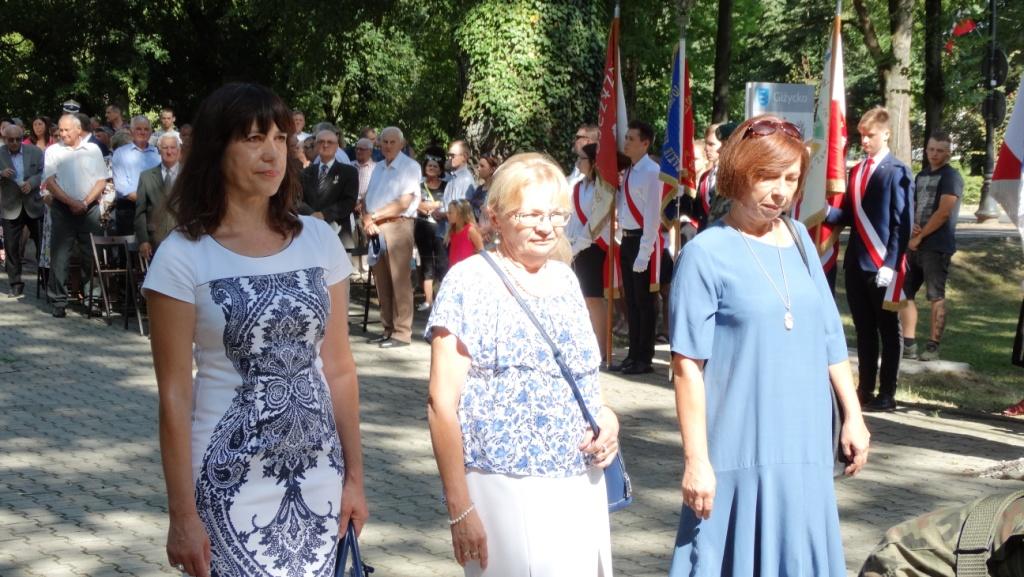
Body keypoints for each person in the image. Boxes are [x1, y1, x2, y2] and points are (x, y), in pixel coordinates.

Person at [142, 82, 367, 577]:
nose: (272, 153)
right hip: (227, 480)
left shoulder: (318, 239)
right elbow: (174, 396)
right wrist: (182, 516)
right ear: (216, 150)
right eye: (252, 138)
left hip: (322, 475)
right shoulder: (182, 256)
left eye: (280, 138)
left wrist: (355, 477)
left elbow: (340, 369)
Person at [668, 115, 870, 577]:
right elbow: (687, 367)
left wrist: (854, 415)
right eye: (768, 177)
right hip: (740, 445)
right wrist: (696, 460)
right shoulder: (705, 254)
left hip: (805, 442)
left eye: (791, 179)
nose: (780, 192)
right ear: (738, 173)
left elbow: (829, 334)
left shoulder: (800, 240)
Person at [427, 152, 618, 577]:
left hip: (580, 481)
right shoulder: (468, 282)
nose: (546, 226)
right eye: (530, 214)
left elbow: (583, 379)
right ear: (496, 216)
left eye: (556, 214)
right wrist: (460, 508)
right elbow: (441, 404)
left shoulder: (566, 279)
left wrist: (607, 418)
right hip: (504, 489)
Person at [825, 106, 914, 412]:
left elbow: (902, 223)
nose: (864, 141)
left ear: (886, 134)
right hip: (857, 261)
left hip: (882, 264)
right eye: (861, 135)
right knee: (863, 328)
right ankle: (865, 388)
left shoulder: (897, 171)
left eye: (870, 135)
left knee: (888, 329)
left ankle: (887, 392)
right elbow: (851, 215)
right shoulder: (857, 170)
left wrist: (891, 263)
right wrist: (826, 212)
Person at [900, 131, 963, 361]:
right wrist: (912, 227)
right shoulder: (922, 175)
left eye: (940, 150)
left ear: (948, 153)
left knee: (936, 295)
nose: (934, 154)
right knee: (904, 292)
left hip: (936, 246)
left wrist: (921, 236)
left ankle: (933, 347)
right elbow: (914, 204)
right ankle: (908, 344)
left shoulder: (951, 177)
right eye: (931, 149)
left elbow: (944, 212)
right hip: (915, 244)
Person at [43, 113, 108, 318]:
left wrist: (85, 202)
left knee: (92, 255)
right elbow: (50, 182)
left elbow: (101, 180)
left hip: (89, 208)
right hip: (63, 209)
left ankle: (92, 299)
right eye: (60, 130)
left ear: (78, 130)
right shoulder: (53, 151)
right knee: (60, 256)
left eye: (66, 130)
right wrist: (71, 202)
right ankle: (58, 301)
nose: (62, 134)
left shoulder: (93, 150)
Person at [361, 126, 420, 349]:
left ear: (401, 144)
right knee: (382, 281)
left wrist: (373, 216)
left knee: (400, 280)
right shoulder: (378, 167)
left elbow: (404, 202)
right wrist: (367, 220)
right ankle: (387, 329)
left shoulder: (410, 166)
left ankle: (402, 333)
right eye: (384, 142)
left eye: (392, 142)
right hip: (375, 227)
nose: (387, 146)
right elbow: (367, 197)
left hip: (398, 226)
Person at [612, 120, 663, 375]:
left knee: (644, 302)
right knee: (631, 301)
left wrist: (645, 252)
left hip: (644, 241)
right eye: (626, 137)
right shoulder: (631, 170)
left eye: (631, 139)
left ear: (645, 143)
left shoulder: (652, 172)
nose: (626, 142)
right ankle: (633, 354)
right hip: (628, 239)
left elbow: (652, 215)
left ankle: (645, 357)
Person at [566, 143, 611, 361]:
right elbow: (573, 219)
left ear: (594, 162)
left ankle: (602, 350)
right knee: (582, 299)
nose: (578, 163)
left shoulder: (602, 189)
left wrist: (577, 246)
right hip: (577, 247)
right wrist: (568, 244)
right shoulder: (578, 187)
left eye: (582, 159)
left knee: (594, 299)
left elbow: (596, 222)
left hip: (595, 247)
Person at [0, 124, 44, 298]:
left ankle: (46, 279)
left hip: (33, 204)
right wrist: (1, 174)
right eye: (10, 140)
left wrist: (31, 183)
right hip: (10, 206)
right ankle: (15, 284)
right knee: (11, 247)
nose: (14, 143)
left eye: (18, 139)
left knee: (41, 244)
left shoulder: (35, 152)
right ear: (5, 139)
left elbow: (43, 173)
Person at [298, 129, 359, 249]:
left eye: (330, 142)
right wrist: (312, 214)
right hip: (310, 233)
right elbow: (297, 199)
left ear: (337, 147)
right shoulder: (305, 173)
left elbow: (349, 202)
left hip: (338, 234)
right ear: (316, 146)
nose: (325, 145)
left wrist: (324, 214)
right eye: (321, 142)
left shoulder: (349, 172)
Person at [134, 133, 181, 260]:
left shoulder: (190, 176)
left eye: (173, 147)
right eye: (165, 148)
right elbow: (140, 212)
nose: (169, 152)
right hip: (155, 241)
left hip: (184, 239)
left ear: (178, 150)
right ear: (159, 150)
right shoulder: (146, 177)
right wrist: (143, 240)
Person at [111, 116, 160, 235]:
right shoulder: (121, 153)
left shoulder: (158, 154)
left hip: (154, 209)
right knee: (129, 246)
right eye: (138, 129)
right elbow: (122, 187)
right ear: (131, 131)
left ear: (151, 132)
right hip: (129, 209)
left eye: (146, 129)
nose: (143, 132)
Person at [414, 148, 447, 311]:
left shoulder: (447, 186)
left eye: (435, 166)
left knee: (442, 263)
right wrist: (434, 205)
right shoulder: (418, 186)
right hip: (422, 228)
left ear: (440, 169)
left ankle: (442, 299)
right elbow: (416, 204)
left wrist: (429, 205)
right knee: (426, 263)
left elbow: (446, 204)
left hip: (441, 229)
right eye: (429, 165)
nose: (431, 168)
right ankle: (428, 301)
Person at [445, 199, 483, 269]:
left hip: (467, 270)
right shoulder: (452, 230)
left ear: (460, 214)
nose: (447, 215)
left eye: (450, 213)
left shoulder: (471, 230)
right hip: (454, 270)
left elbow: (481, 251)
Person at [567, 123, 599, 188]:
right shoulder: (578, 165)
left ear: (588, 142)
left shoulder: (596, 175)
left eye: (577, 137)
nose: (574, 141)